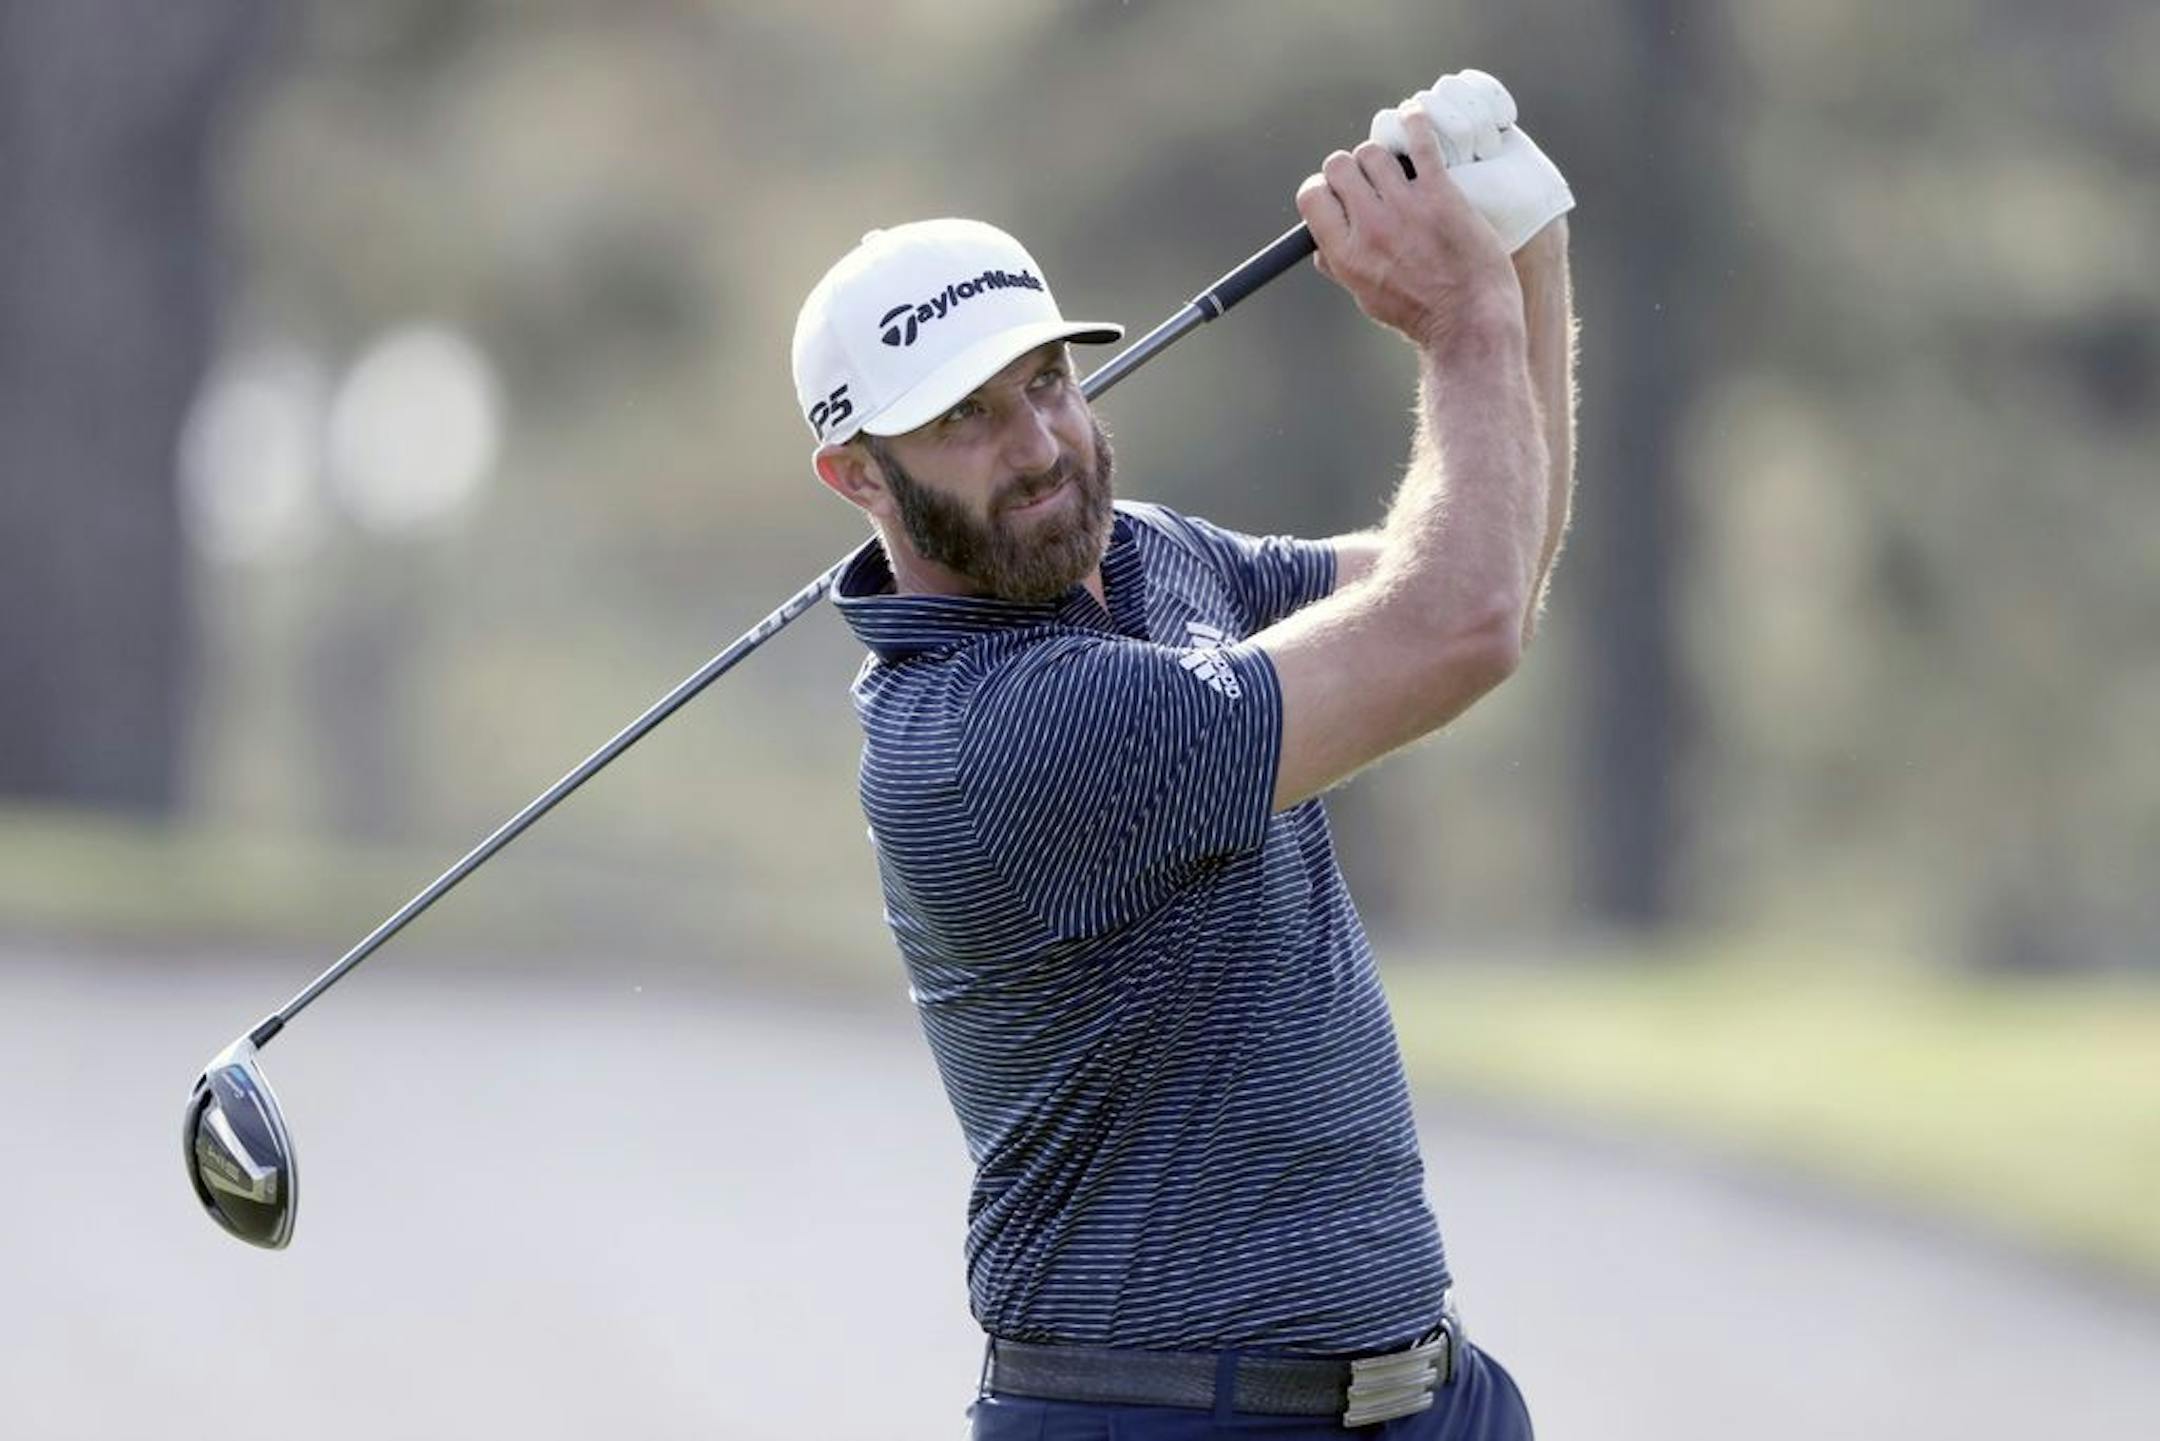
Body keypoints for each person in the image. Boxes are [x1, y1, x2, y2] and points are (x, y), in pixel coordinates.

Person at [789, 71, 1576, 1439]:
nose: (1039, 446)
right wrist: (1463, 324)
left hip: (1424, 1395)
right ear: (859, 474)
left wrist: (1523, 238)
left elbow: (1478, 551)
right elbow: (1463, 624)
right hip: (1165, 1418)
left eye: (1048, 381)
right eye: (967, 418)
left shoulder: (1143, 554)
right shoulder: (993, 741)